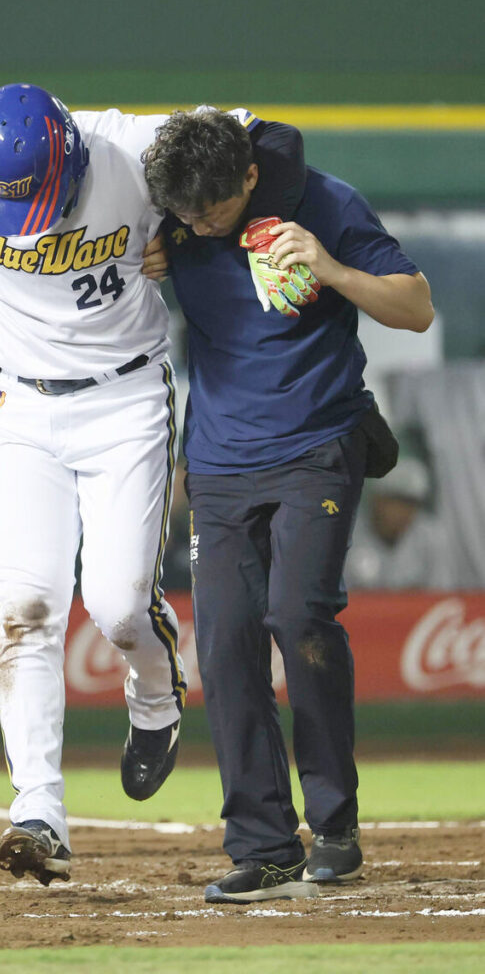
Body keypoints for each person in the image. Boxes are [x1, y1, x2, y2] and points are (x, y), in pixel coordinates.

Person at [0, 82, 308, 886]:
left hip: (123, 395)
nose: (28, 226)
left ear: (69, 155)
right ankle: (38, 810)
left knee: (116, 604)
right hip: (15, 405)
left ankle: (154, 694)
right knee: (25, 610)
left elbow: (268, 136)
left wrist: (184, 226)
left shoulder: (129, 146)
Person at [142, 107, 434, 903]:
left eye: (210, 211)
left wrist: (330, 269)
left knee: (299, 619)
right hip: (217, 464)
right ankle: (262, 845)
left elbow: (414, 307)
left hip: (316, 446)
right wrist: (153, 245)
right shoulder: (178, 212)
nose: (198, 225)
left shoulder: (325, 203)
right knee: (224, 647)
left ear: (248, 177)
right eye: (183, 213)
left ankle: (334, 827)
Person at [343, 457, 453, 590]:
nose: (403, 511)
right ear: (377, 500)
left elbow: (441, 595)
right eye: (396, 501)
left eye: (410, 504)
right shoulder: (345, 536)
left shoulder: (431, 537)